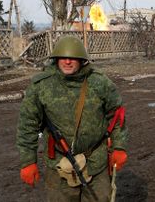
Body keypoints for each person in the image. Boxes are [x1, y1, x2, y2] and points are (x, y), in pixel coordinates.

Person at [16, 35, 128, 201]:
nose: (67, 62)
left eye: (73, 58)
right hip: (60, 165)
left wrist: (119, 147)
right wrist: (28, 161)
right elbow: (27, 125)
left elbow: (117, 115)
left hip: (95, 162)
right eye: (64, 57)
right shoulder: (41, 86)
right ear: (56, 59)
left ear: (82, 60)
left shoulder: (99, 82)